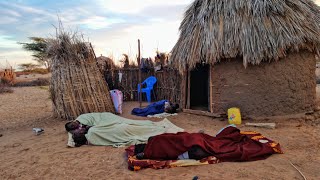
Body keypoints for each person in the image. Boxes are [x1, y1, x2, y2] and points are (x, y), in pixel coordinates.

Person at [131, 126, 282, 162]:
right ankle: (148, 149)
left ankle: (148, 152)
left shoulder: (155, 141)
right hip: (195, 142)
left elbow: (217, 139)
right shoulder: (215, 136)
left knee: (169, 140)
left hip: (198, 143)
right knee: (168, 138)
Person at [65, 112, 184, 147]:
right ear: (81, 135)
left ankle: (158, 129)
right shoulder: (92, 132)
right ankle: (160, 129)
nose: (78, 130)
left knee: (139, 132)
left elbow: (110, 139)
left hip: (122, 132)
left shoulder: (92, 139)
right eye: (77, 132)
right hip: (122, 129)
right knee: (139, 129)